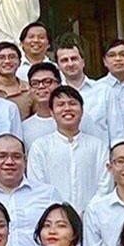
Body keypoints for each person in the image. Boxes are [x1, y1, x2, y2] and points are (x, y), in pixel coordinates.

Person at [27, 86, 106, 217]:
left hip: (93, 218)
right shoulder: (40, 147)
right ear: (51, 112)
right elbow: (38, 187)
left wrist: (88, 213)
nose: (67, 108)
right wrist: (60, 215)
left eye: (73, 103)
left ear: (82, 110)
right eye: (60, 104)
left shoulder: (98, 146)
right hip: (53, 220)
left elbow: (105, 185)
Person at [22, 61, 62, 147]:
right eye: (35, 83)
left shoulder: (77, 119)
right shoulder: (23, 127)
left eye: (47, 81)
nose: (41, 86)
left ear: (59, 84)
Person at [0, 40, 32, 117]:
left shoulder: (30, 90)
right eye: (1, 57)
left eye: (12, 57)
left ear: (19, 62)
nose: (7, 61)